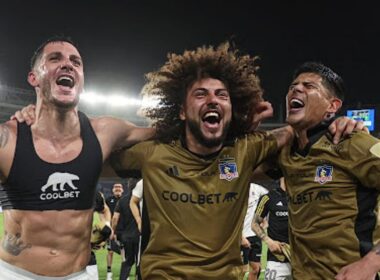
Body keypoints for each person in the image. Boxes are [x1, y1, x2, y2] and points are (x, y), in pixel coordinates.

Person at [109, 43, 358, 279]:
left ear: (231, 109)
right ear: (182, 110)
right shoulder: (153, 153)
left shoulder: (246, 150)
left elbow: (293, 130)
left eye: (221, 95)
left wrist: (334, 121)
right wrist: (156, 131)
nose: (213, 100)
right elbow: (90, 157)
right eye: (200, 94)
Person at [0, 36, 154, 279]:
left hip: (79, 274)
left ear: (81, 82)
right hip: (15, 273)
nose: (67, 64)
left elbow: (165, 133)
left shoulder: (105, 132)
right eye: (54, 58)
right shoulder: (7, 139)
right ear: (34, 78)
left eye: (76, 62)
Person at [272, 62, 380, 280]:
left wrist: (371, 262)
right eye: (293, 86)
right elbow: (231, 164)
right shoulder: (285, 154)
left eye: (309, 86)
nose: (297, 89)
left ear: (333, 106)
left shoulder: (353, 142)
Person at [252, 177, 291, 280]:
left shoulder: (302, 197)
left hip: (300, 259)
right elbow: (254, 224)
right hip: (276, 259)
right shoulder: (268, 197)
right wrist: (269, 242)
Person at [111, 183, 140, 280]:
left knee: (128, 261)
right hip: (140, 236)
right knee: (139, 262)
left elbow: (115, 218)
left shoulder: (122, 200)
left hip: (126, 236)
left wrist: (113, 231)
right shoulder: (143, 199)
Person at [241, 182, 268, 280]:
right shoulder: (236, 189)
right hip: (240, 236)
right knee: (242, 270)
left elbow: (270, 199)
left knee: (256, 269)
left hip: (254, 235)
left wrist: (263, 219)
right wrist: (240, 237)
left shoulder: (257, 188)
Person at [87, 190, 112, 279]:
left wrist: (107, 227)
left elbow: (105, 210)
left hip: (87, 255)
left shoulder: (94, 194)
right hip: (58, 256)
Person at [105, 182, 124, 280]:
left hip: (123, 230)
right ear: (112, 189)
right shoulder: (108, 200)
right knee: (110, 250)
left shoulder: (126, 200)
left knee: (123, 251)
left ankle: (124, 273)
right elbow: (104, 213)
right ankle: (109, 272)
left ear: (123, 190)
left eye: (119, 187)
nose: (117, 188)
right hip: (111, 230)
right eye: (116, 187)